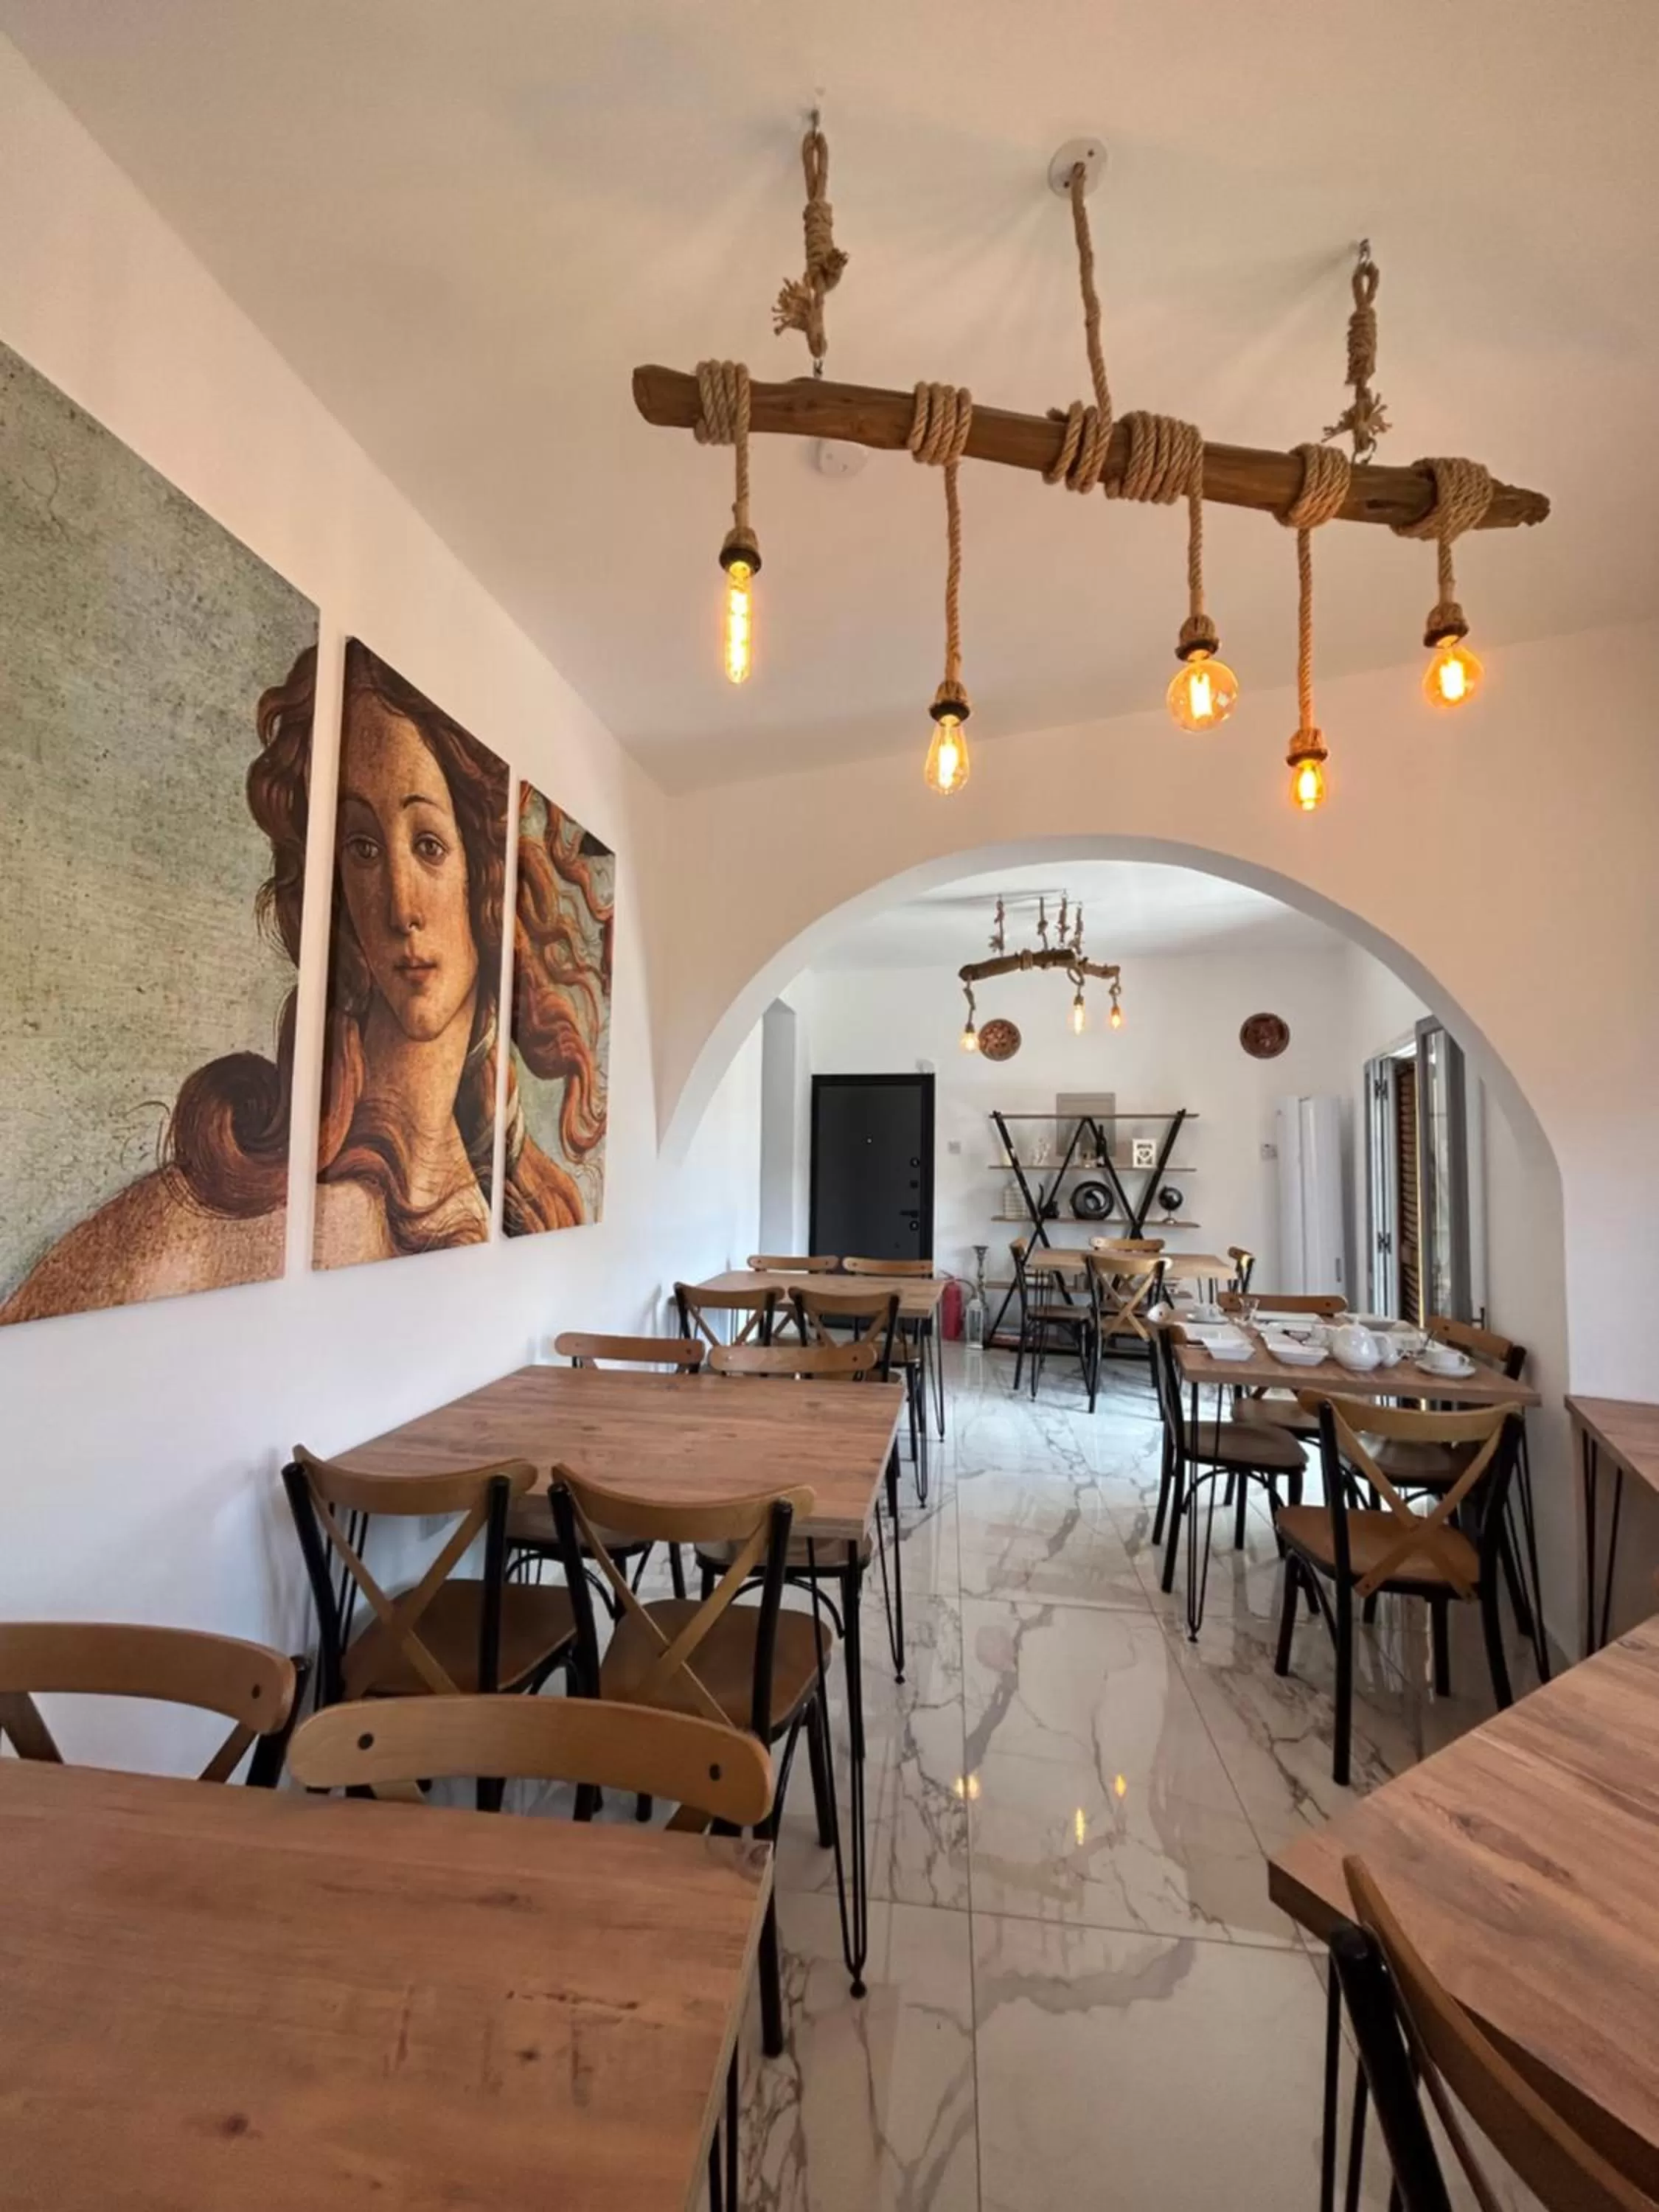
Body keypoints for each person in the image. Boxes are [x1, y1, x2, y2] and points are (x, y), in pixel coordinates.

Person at [1, 639, 599, 1324]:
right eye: (363, 848)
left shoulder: (504, 1213)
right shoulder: (219, 1213)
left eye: (428, 845)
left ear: (484, 881)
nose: (401, 905)